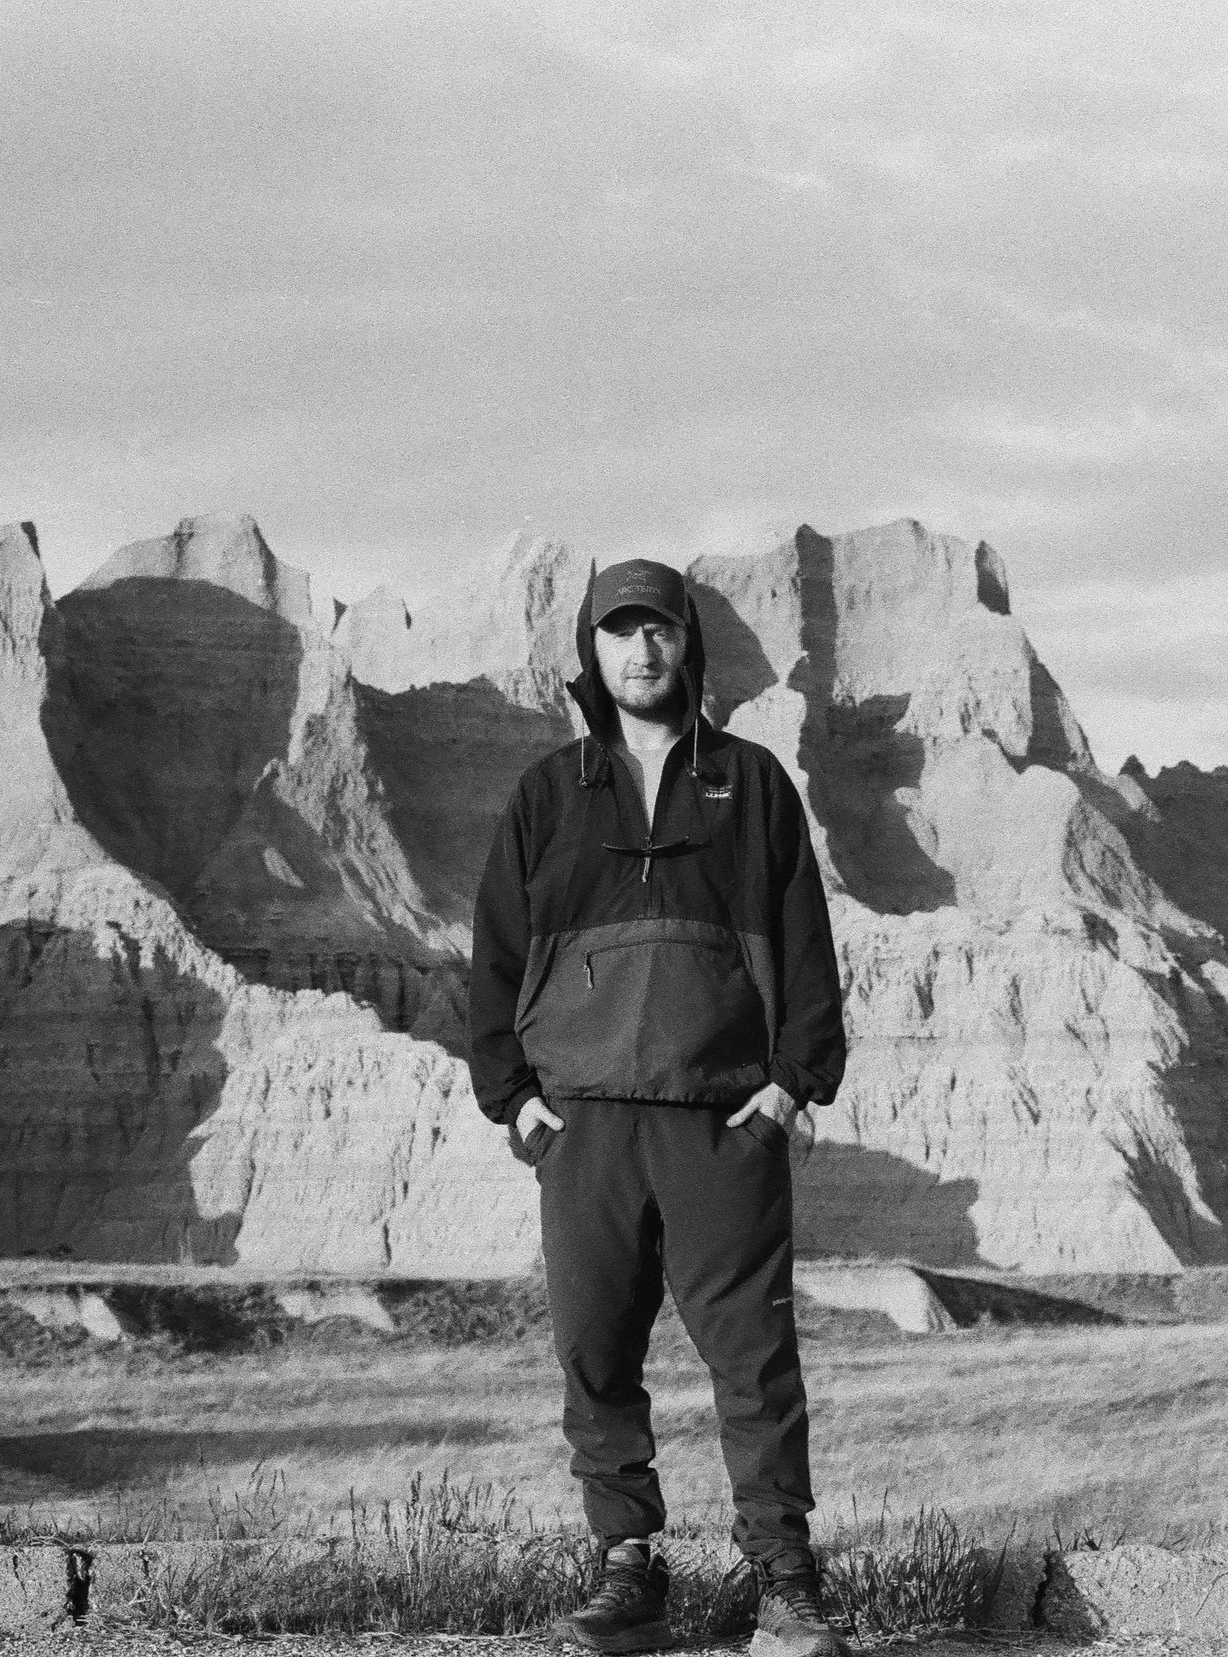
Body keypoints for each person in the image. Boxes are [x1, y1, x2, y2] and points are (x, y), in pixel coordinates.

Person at [469, 557, 849, 1657]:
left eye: (659, 630)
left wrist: (790, 1085)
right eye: (618, 631)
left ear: (690, 645)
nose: (641, 650)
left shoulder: (753, 781)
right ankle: (629, 1572)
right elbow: (493, 957)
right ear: (590, 653)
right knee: (595, 1354)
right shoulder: (547, 794)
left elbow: (807, 946)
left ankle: (783, 1580)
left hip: (720, 1119)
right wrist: (514, 1101)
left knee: (754, 1360)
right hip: (583, 1124)